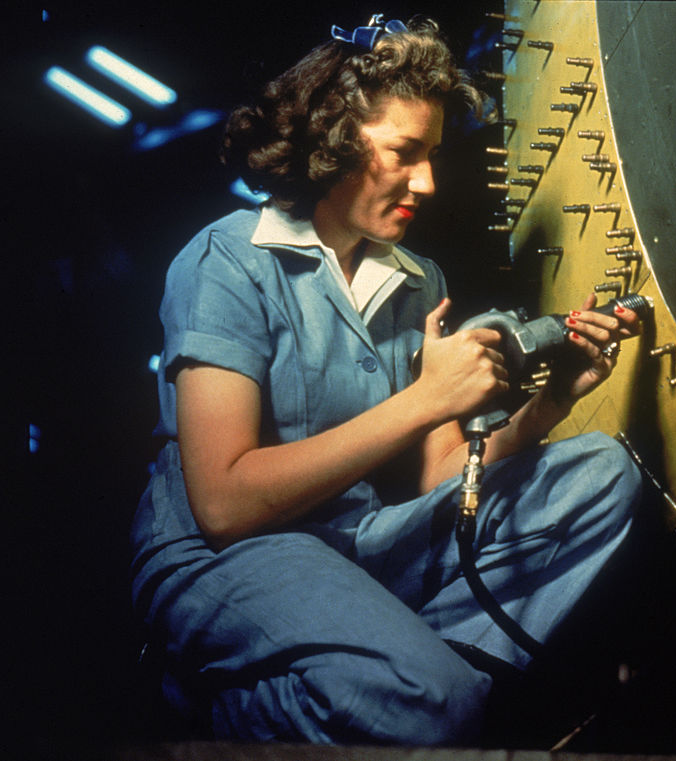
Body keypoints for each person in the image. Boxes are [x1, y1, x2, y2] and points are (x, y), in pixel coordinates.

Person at [129, 15, 642, 745]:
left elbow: (440, 476)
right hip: (231, 557)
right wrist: (426, 399)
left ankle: (434, 692)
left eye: (432, 155)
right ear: (335, 139)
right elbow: (223, 503)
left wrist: (552, 399)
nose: (428, 181)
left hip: (360, 545)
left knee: (602, 471)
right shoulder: (228, 261)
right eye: (406, 153)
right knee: (432, 702)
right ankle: (230, 713)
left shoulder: (416, 281)